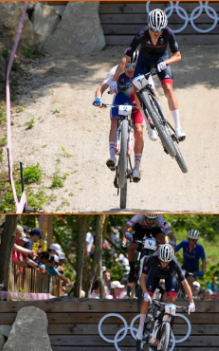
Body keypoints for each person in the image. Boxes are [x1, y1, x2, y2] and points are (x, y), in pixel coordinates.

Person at [111, 8, 186, 142]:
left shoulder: (168, 33)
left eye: (160, 30)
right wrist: (113, 80)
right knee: (137, 89)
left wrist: (167, 62)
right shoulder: (141, 34)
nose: (157, 33)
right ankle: (149, 125)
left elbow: (178, 56)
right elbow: (125, 59)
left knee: (168, 90)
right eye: (153, 29)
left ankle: (178, 127)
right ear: (149, 26)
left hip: (161, 60)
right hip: (144, 61)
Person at [93, 48, 158, 182]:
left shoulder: (143, 72)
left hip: (137, 103)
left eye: (133, 67)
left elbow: (154, 92)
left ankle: (136, 168)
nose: (130, 70)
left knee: (139, 130)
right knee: (114, 121)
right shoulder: (115, 71)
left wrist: (154, 105)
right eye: (127, 66)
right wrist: (98, 98)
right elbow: (101, 88)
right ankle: (112, 156)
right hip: (120, 100)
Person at [136, 245, 195, 351]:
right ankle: (140, 327)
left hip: (170, 276)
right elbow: (142, 278)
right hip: (154, 275)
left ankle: (162, 332)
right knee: (146, 298)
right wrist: (145, 293)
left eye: (166, 262)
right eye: (162, 261)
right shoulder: (152, 258)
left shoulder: (174, 262)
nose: (163, 264)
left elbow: (185, 283)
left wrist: (191, 302)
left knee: (171, 302)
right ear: (158, 257)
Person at [123, 215, 176, 283]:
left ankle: (158, 264)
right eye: (149, 219)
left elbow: (172, 236)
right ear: (144, 217)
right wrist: (127, 233)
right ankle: (132, 270)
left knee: (161, 240)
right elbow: (125, 226)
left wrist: (172, 242)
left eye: (153, 220)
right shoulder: (139, 216)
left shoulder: (160, 219)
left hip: (155, 229)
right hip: (140, 228)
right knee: (131, 247)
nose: (151, 222)